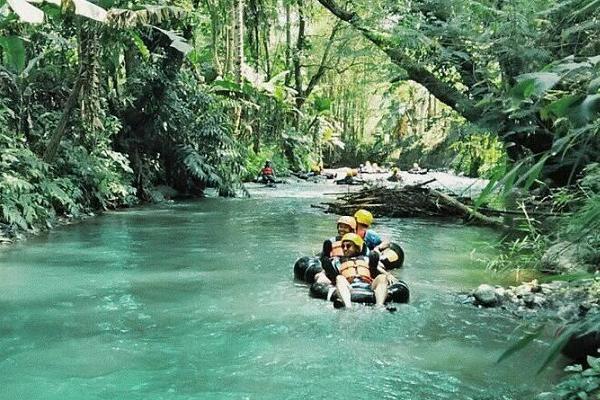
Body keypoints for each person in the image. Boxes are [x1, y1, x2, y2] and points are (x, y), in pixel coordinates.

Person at [321, 233, 396, 308]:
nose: (345, 249)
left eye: (348, 246)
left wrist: (388, 275)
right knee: (339, 278)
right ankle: (348, 307)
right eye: (343, 246)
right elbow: (327, 274)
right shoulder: (336, 261)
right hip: (349, 286)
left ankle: (380, 307)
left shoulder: (366, 259)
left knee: (382, 277)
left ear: (356, 248)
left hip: (368, 285)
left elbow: (378, 269)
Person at [314, 216, 357, 284]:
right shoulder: (331, 241)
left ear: (352, 230)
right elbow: (324, 257)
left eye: (345, 227)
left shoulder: (358, 242)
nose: (342, 229)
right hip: (336, 265)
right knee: (325, 261)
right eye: (340, 227)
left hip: (352, 266)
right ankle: (335, 280)